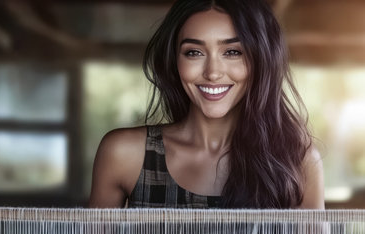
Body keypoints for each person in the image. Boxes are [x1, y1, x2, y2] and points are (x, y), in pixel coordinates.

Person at [88, 0, 324, 209]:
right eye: (194, 53)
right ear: (174, 61)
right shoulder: (124, 154)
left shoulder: (298, 162)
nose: (212, 73)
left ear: (262, 60)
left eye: (232, 52)